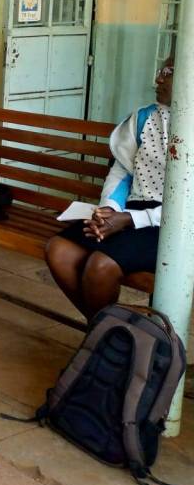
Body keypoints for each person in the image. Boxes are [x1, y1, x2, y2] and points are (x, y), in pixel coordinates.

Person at [45, 60, 174, 321]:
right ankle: (113, 336)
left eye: (168, 73)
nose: (158, 80)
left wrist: (128, 219)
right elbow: (123, 170)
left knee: (100, 266)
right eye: (159, 71)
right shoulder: (145, 118)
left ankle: (109, 340)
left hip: (174, 227)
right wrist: (109, 209)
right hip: (128, 213)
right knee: (59, 250)